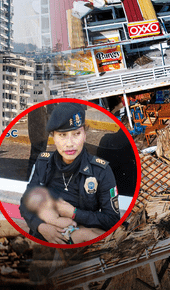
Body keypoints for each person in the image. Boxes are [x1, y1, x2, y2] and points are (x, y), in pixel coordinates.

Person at [19, 102, 121, 245]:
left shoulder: (100, 171)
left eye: (76, 134)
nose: (69, 143)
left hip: (80, 242)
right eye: (62, 135)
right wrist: (42, 227)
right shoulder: (43, 164)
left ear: (85, 134)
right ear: (53, 137)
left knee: (92, 234)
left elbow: (112, 220)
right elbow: (25, 204)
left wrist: (74, 213)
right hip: (42, 240)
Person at [22, 186, 104, 244]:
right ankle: (106, 244)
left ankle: (109, 238)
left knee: (91, 229)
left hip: (68, 231)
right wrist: (71, 221)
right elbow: (64, 222)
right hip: (63, 238)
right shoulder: (47, 214)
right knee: (85, 234)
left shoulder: (48, 209)